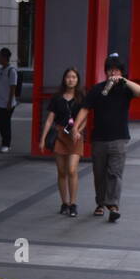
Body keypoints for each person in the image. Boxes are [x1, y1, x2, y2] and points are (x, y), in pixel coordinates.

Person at [87, 55, 140, 223]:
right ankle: (100, 203)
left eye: (117, 70)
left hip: (119, 138)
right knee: (99, 173)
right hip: (99, 138)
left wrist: (124, 80)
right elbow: (85, 108)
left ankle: (113, 206)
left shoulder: (126, 90)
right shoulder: (98, 89)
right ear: (105, 71)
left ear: (122, 72)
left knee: (115, 173)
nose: (113, 73)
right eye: (111, 70)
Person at [39, 67, 88, 216]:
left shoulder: (81, 96)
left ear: (77, 79)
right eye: (68, 77)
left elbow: (85, 118)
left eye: (74, 77)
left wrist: (78, 131)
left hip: (75, 136)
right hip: (60, 135)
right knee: (61, 171)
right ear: (64, 79)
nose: (71, 79)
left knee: (72, 170)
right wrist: (42, 139)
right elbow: (49, 120)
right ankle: (64, 203)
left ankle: (73, 204)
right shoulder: (57, 97)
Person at [0, 47, 19, 152]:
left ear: (4, 58)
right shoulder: (0, 70)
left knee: (5, 123)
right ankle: (4, 142)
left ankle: (6, 144)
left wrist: (9, 102)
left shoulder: (12, 71)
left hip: (8, 102)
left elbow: (13, 87)